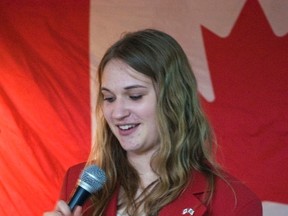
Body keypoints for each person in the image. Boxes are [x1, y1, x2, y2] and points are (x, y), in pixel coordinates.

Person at [44, 29, 262, 216]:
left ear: (174, 99)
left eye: (135, 96)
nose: (117, 113)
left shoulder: (234, 203)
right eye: (109, 98)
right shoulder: (78, 181)